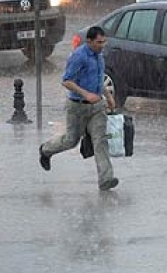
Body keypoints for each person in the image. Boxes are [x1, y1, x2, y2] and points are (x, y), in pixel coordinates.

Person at [39, 26, 119, 191]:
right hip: (76, 107)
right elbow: (66, 80)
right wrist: (85, 94)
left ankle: (106, 179)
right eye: (98, 42)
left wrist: (109, 97)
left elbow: (99, 79)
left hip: (97, 108)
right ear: (89, 41)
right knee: (71, 140)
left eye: (104, 42)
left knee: (100, 141)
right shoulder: (79, 56)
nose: (102, 45)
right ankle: (46, 150)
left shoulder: (99, 56)